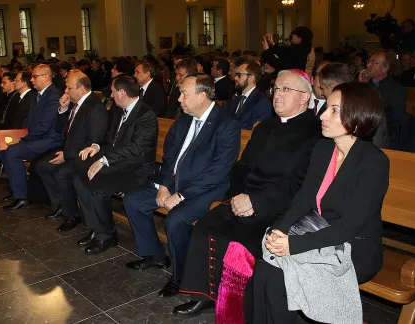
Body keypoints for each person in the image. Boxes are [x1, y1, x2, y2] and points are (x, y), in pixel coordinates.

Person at [173, 70, 321, 318]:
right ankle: (204, 296)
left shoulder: (316, 132)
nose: (277, 95)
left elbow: (302, 184)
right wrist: (237, 196)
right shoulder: (264, 127)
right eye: (276, 89)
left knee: (242, 244)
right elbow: (242, 167)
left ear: (305, 97)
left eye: (286, 89)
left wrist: (257, 202)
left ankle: (241, 307)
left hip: (280, 208)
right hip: (245, 199)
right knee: (205, 227)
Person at [246, 82, 389, 324]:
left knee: (281, 280)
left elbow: (348, 228)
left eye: (334, 110)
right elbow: (303, 200)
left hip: (353, 248)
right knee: (263, 271)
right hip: (317, 234)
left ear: (358, 115)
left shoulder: (374, 162)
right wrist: (279, 230)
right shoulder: (324, 148)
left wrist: (293, 244)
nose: (323, 115)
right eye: (326, 108)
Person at [124, 73, 241, 298]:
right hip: (174, 185)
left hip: (206, 190)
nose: (179, 99)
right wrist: (164, 186)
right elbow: (170, 158)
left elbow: (218, 172)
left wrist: (181, 194)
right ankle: (156, 256)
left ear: (202, 96)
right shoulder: (184, 119)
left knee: (177, 219)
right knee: (134, 200)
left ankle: (181, 276)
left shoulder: (226, 125)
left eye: (184, 94)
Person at [74, 75, 158, 253]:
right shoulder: (120, 110)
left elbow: (136, 149)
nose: (111, 95)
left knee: (97, 186)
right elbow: (109, 139)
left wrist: (104, 161)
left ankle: (106, 236)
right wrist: (96, 147)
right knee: (79, 173)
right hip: (118, 162)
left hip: (136, 169)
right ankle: (96, 227)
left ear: (121, 93)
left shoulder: (146, 115)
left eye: (113, 91)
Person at [33, 71, 108, 231]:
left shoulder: (94, 107)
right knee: (41, 166)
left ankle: (73, 214)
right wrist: (63, 108)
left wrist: (67, 156)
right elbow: (61, 129)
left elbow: (93, 141)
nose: (65, 91)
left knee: (61, 173)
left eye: (69, 87)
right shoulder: (76, 104)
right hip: (69, 151)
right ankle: (62, 204)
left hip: (84, 157)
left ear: (81, 89)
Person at [0, 64, 62, 210]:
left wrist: (24, 138)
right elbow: (29, 120)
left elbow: (45, 126)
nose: (32, 80)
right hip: (36, 137)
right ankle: (17, 190)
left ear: (46, 77)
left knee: (12, 152)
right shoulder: (37, 94)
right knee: (2, 147)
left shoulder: (54, 96)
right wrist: (20, 134)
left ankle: (22, 196)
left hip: (49, 139)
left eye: (35, 76)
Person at [223, 62, 272, 129]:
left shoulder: (262, 102)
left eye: (239, 75)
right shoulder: (234, 98)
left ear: (251, 78)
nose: (235, 78)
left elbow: (259, 131)